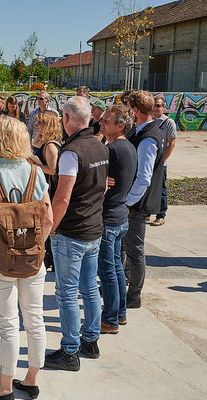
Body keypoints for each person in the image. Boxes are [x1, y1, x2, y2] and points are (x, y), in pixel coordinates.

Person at [0, 115, 53, 400]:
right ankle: (31, 380)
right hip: (33, 258)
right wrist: (36, 248)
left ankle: (4, 388)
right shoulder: (36, 173)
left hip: (1, 258)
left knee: (8, 325)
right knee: (35, 319)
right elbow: (49, 219)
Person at [43, 96, 109, 372]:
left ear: (67, 118)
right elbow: (102, 187)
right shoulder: (99, 146)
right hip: (93, 229)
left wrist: (51, 227)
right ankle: (91, 341)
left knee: (68, 293)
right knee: (89, 288)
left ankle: (70, 351)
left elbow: (62, 198)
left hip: (72, 232)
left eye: (62, 117)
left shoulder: (72, 152)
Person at [97, 104, 137, 334]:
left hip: (110, 218)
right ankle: (119, 314)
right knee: (116, 269)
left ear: (120, 125)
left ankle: (110, 320)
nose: (101, 123)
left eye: (106, 121)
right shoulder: (127, 147)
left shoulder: (113, 150)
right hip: (120, 216)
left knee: (108, 272)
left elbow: (100, 182)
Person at [124, 91, 166, 309]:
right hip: (134, 202)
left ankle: (134, 297)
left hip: (137, 204)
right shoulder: (143, 131)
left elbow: (144, 177)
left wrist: (129, 202)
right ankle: (123, 286)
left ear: (136, 110)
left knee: (135, 251)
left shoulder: (149, 137)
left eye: (130, 107)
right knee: (128, 249)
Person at [29, 111, 62, 271]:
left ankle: (51, 259)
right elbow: (34, 143)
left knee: (48, 223)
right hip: (45, 188)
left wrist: (35, 166)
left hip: (50, 189)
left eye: (40, 123)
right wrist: (39, 134)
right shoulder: (45, 142)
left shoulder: (50, 146)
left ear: (48, 125)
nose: (36, 126)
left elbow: (53, 169)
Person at [149, 96, 177, 226]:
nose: (155, 107)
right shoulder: (150, 121)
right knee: (148, 187)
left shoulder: (168, 122)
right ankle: (147, 212)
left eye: (158, 105)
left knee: (160, 189)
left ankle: (161, 215)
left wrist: (163, 160)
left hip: (160, 163)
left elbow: (172, 143)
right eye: (154, 105)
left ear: (164, 107)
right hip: (149, 161)